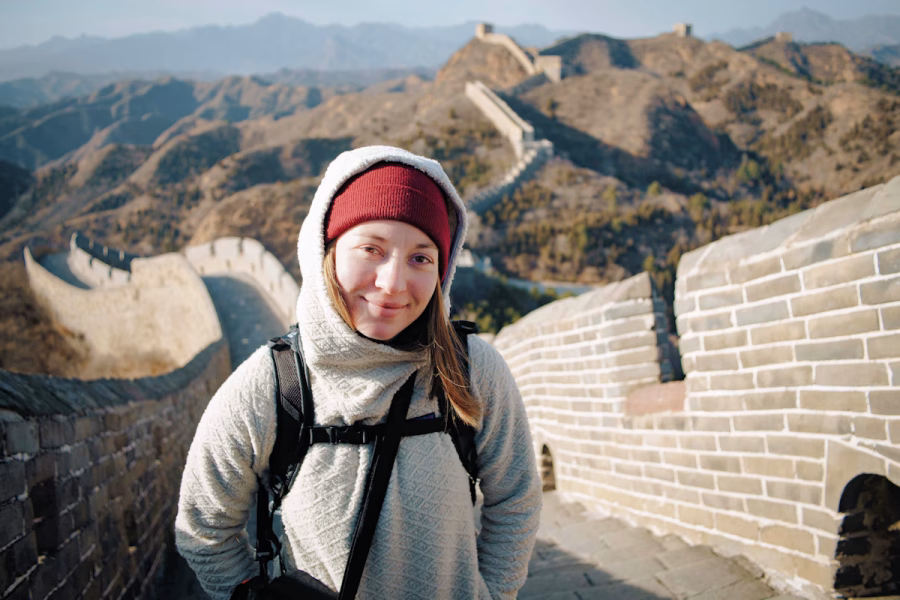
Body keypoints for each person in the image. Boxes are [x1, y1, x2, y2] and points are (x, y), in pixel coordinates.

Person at [175, 145, 542, 599]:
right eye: (372, 249)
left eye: (421, 258)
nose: (393, 284)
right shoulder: (274, 384)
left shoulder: (468, 369)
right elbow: (203, 527)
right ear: (326, 251)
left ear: (443, 271)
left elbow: (516, 498)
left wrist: (493, 594)